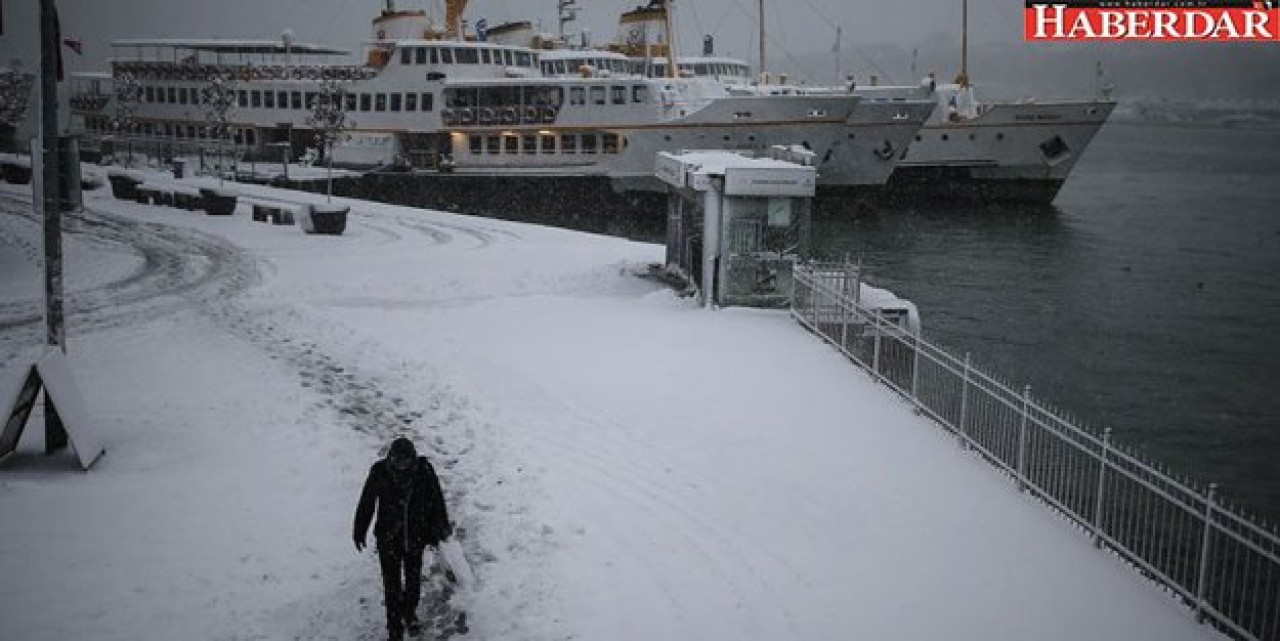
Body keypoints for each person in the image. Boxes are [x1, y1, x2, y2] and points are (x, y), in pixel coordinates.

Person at [354, 437, 452, 641]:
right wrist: (359, 529)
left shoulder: (424, 471)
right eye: (397, 460)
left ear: (413, 458)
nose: (401, 466)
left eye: (405, 461)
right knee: (391, 587)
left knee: (413, 582)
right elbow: (367, 502)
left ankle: (409, 612)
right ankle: (394, 629)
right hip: (388, 539)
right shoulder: (380, 472)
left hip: (416, 537)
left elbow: (436, 499)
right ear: (390, 458)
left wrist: (440, 526)